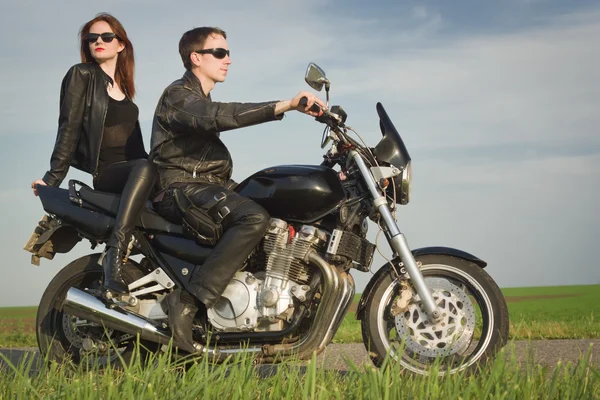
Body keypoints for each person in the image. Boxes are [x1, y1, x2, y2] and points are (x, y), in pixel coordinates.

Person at [150, 27, 325, 353]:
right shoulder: (179, 96)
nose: (228, 59)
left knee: (275, 212)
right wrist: (285, 105)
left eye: (228, 53)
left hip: (207, 184)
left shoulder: (199, 96)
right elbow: (218, 116)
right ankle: (189, 299)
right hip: (180, 186)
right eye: (219, 52)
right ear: (196, 58)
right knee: (252, 218)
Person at [31, 13, 155, 297]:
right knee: (146, 168)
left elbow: (138, 149)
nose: (98, 42)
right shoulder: (82, 75)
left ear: (121, 44)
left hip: (137, 170)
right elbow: (69, 127)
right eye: (92, 38)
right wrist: (52, 178)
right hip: (109, 174)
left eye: (106, 37)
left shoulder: (125, 90)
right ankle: (115, 251)